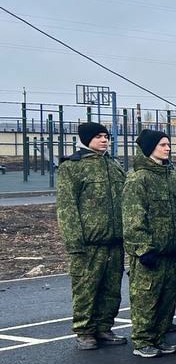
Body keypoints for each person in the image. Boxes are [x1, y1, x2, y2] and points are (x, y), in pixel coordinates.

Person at [56, 121, 127, 350]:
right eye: (98, 136)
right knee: (86, 288)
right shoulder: (72, 167)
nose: (104, 140)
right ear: (86, 139)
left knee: (111, 288)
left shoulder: (114, 165)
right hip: (89, 243)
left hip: (115, 241)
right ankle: (85, 331)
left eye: (106, 136)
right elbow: (67, 208)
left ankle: (104, 328)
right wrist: (74, 241)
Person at [121, 130, 176, 356]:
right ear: (150, 148)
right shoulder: (139, 179)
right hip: (150, 252)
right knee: (146, 298)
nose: (167, 148)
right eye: (162, 145)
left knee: (167, 298)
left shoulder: (174, 177)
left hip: (171, 251)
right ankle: (143, 341)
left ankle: (158, 337)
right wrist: (142, 248)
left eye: (168, 144)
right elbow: (133, 217)